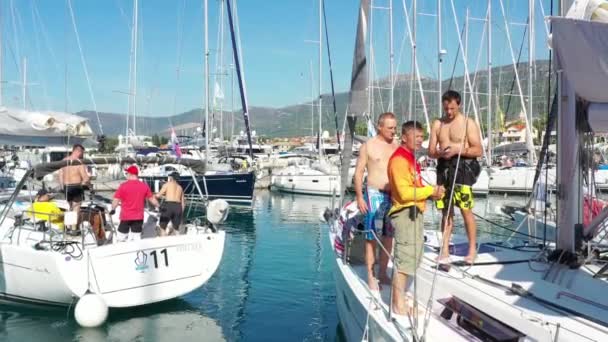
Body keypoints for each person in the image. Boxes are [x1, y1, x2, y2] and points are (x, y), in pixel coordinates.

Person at [388, 121, 445, 316]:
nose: (421, 140)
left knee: (410, 258)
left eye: (422, 136)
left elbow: (415, 188)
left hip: (413, 213)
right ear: (404, 137)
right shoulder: (399, 160)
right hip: (405, 214)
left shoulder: (410, 159)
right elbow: (404, 193)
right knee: (404, 262)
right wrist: (430, 190)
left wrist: (432, 194)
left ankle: (400, 298)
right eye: (417, 136)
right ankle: (398, 306)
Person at [429, 90, 483, 264]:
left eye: (452, 108)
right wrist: (440, 153)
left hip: (463, 168)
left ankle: (472, 249)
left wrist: (459, 149)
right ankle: (444, 249)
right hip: (444, 168)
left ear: (459, 105)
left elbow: (478, 150)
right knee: (446, 211)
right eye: (446, 109)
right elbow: (430, 151)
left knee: (466, 209)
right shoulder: (438, 124)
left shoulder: (468, 123)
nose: (449, 112)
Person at [354, 112, 399, 290]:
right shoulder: (368, 146)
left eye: (395, 128)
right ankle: (371, 275)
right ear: (380, 127)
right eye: (390, 128)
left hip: (392, 196)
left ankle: (382, 273)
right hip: (373, 194)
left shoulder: (396, 147)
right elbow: (358, 172)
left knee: (389, 236)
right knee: (371, 236)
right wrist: (359, 196)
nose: (393, 131)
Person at [110, 165, 160, 241]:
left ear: (130, 174)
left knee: (121, 238)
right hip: (138, 217)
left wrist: (113, 209)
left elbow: (116, 200)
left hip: (126, 217)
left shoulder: (123, 186)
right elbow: (152, 199)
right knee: (136, 239)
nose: (126, 175)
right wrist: (159, 206)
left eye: (127, 173)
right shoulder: (144, 186)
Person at [58, 144, 90, 230]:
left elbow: (60, 175)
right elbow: (85, 178)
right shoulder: (78, 162)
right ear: (78, 151)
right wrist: (89, 185)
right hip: (76, 186)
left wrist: (62, 187)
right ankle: (74, 229)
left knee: (70, 207)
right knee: (76, 208)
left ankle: (68, 227)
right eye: (82, 153)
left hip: (66, 187)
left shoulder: (64, 161)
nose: (82, 155)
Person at [155, 171, 185, 236]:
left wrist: (153, 196)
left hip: (168, 205)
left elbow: (158, 195)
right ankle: (177, 242)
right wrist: (181, 213)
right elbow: (183, 203)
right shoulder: (180, 188)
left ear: (172, 178)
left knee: (162, 227)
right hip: (178, 207)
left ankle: (164, 243)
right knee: (176, 228)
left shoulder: (167, 184)